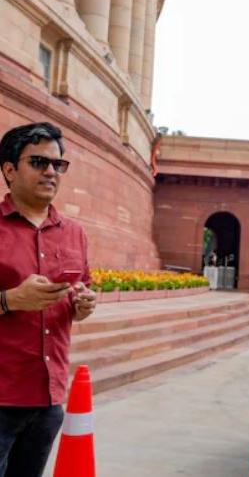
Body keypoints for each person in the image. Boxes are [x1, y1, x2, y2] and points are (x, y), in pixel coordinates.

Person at [0, 122, 97, 477]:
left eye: (58, 164)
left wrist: (83, 305)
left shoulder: (74, 233)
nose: (51, 172)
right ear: (10, 170)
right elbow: (13, 300)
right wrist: (10, 300)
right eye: (39, 162)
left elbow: (79, 295)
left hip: (48, 397)